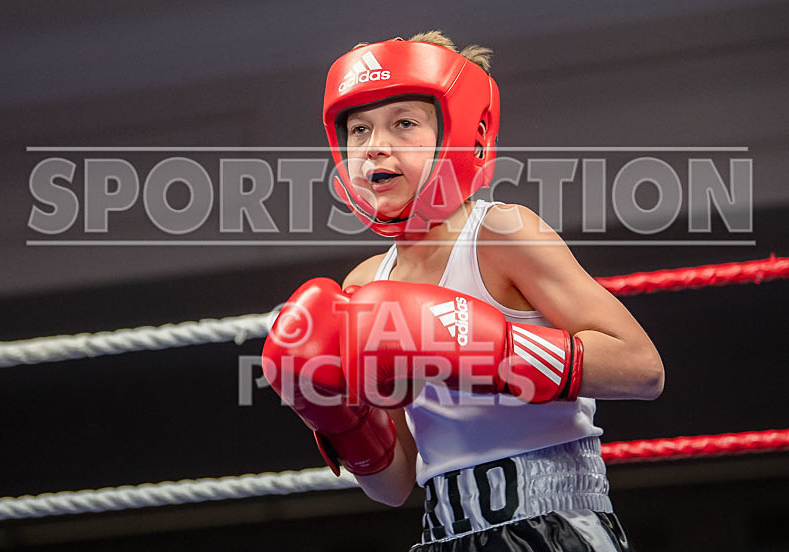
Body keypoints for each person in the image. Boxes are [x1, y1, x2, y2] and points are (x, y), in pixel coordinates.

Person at [263, 31, 664, 551]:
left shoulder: (502, 234)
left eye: (404, 123)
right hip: (442, 533)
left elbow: (642, 368)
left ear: (462, 133)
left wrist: (487, 352)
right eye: (358, 129)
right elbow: (395, 484)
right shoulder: (363, 285)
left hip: (557, 520)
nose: (375, 145)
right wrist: (338, 417)